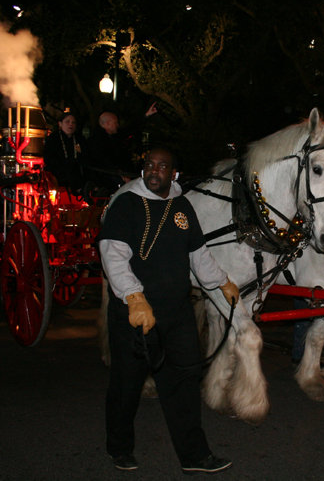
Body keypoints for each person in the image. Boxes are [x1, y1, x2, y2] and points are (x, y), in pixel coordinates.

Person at [99, 147, 238, 475]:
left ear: (174, 173)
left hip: (177, 313)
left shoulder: (182, 206)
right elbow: (113, 253)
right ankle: (118, 447)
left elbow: (199, 255)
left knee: (185, 382)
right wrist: (133, 297)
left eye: (162, 166)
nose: (154, 170)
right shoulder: (127, 203)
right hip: (135, 315)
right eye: (149, 164)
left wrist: (221, 282)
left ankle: (195, 455)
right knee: (127, 385)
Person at [87, 103, 158, 194]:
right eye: (115, 122)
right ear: (108, 123)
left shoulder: (115, 136)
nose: (117, 125)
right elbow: (101, 159)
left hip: (120, 173)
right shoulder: (95, 140)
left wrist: (146, 116)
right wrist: (118, 172)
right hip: (106, 176)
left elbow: (130, 128)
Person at [43, 111, 87, 191]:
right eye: (67, 121)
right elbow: (49, 159)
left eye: (73, 122)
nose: (71, 124)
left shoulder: (80, 139)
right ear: (60, 124)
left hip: (77, 171)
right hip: (59, 171)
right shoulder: (53, 139)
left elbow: (85, 157)